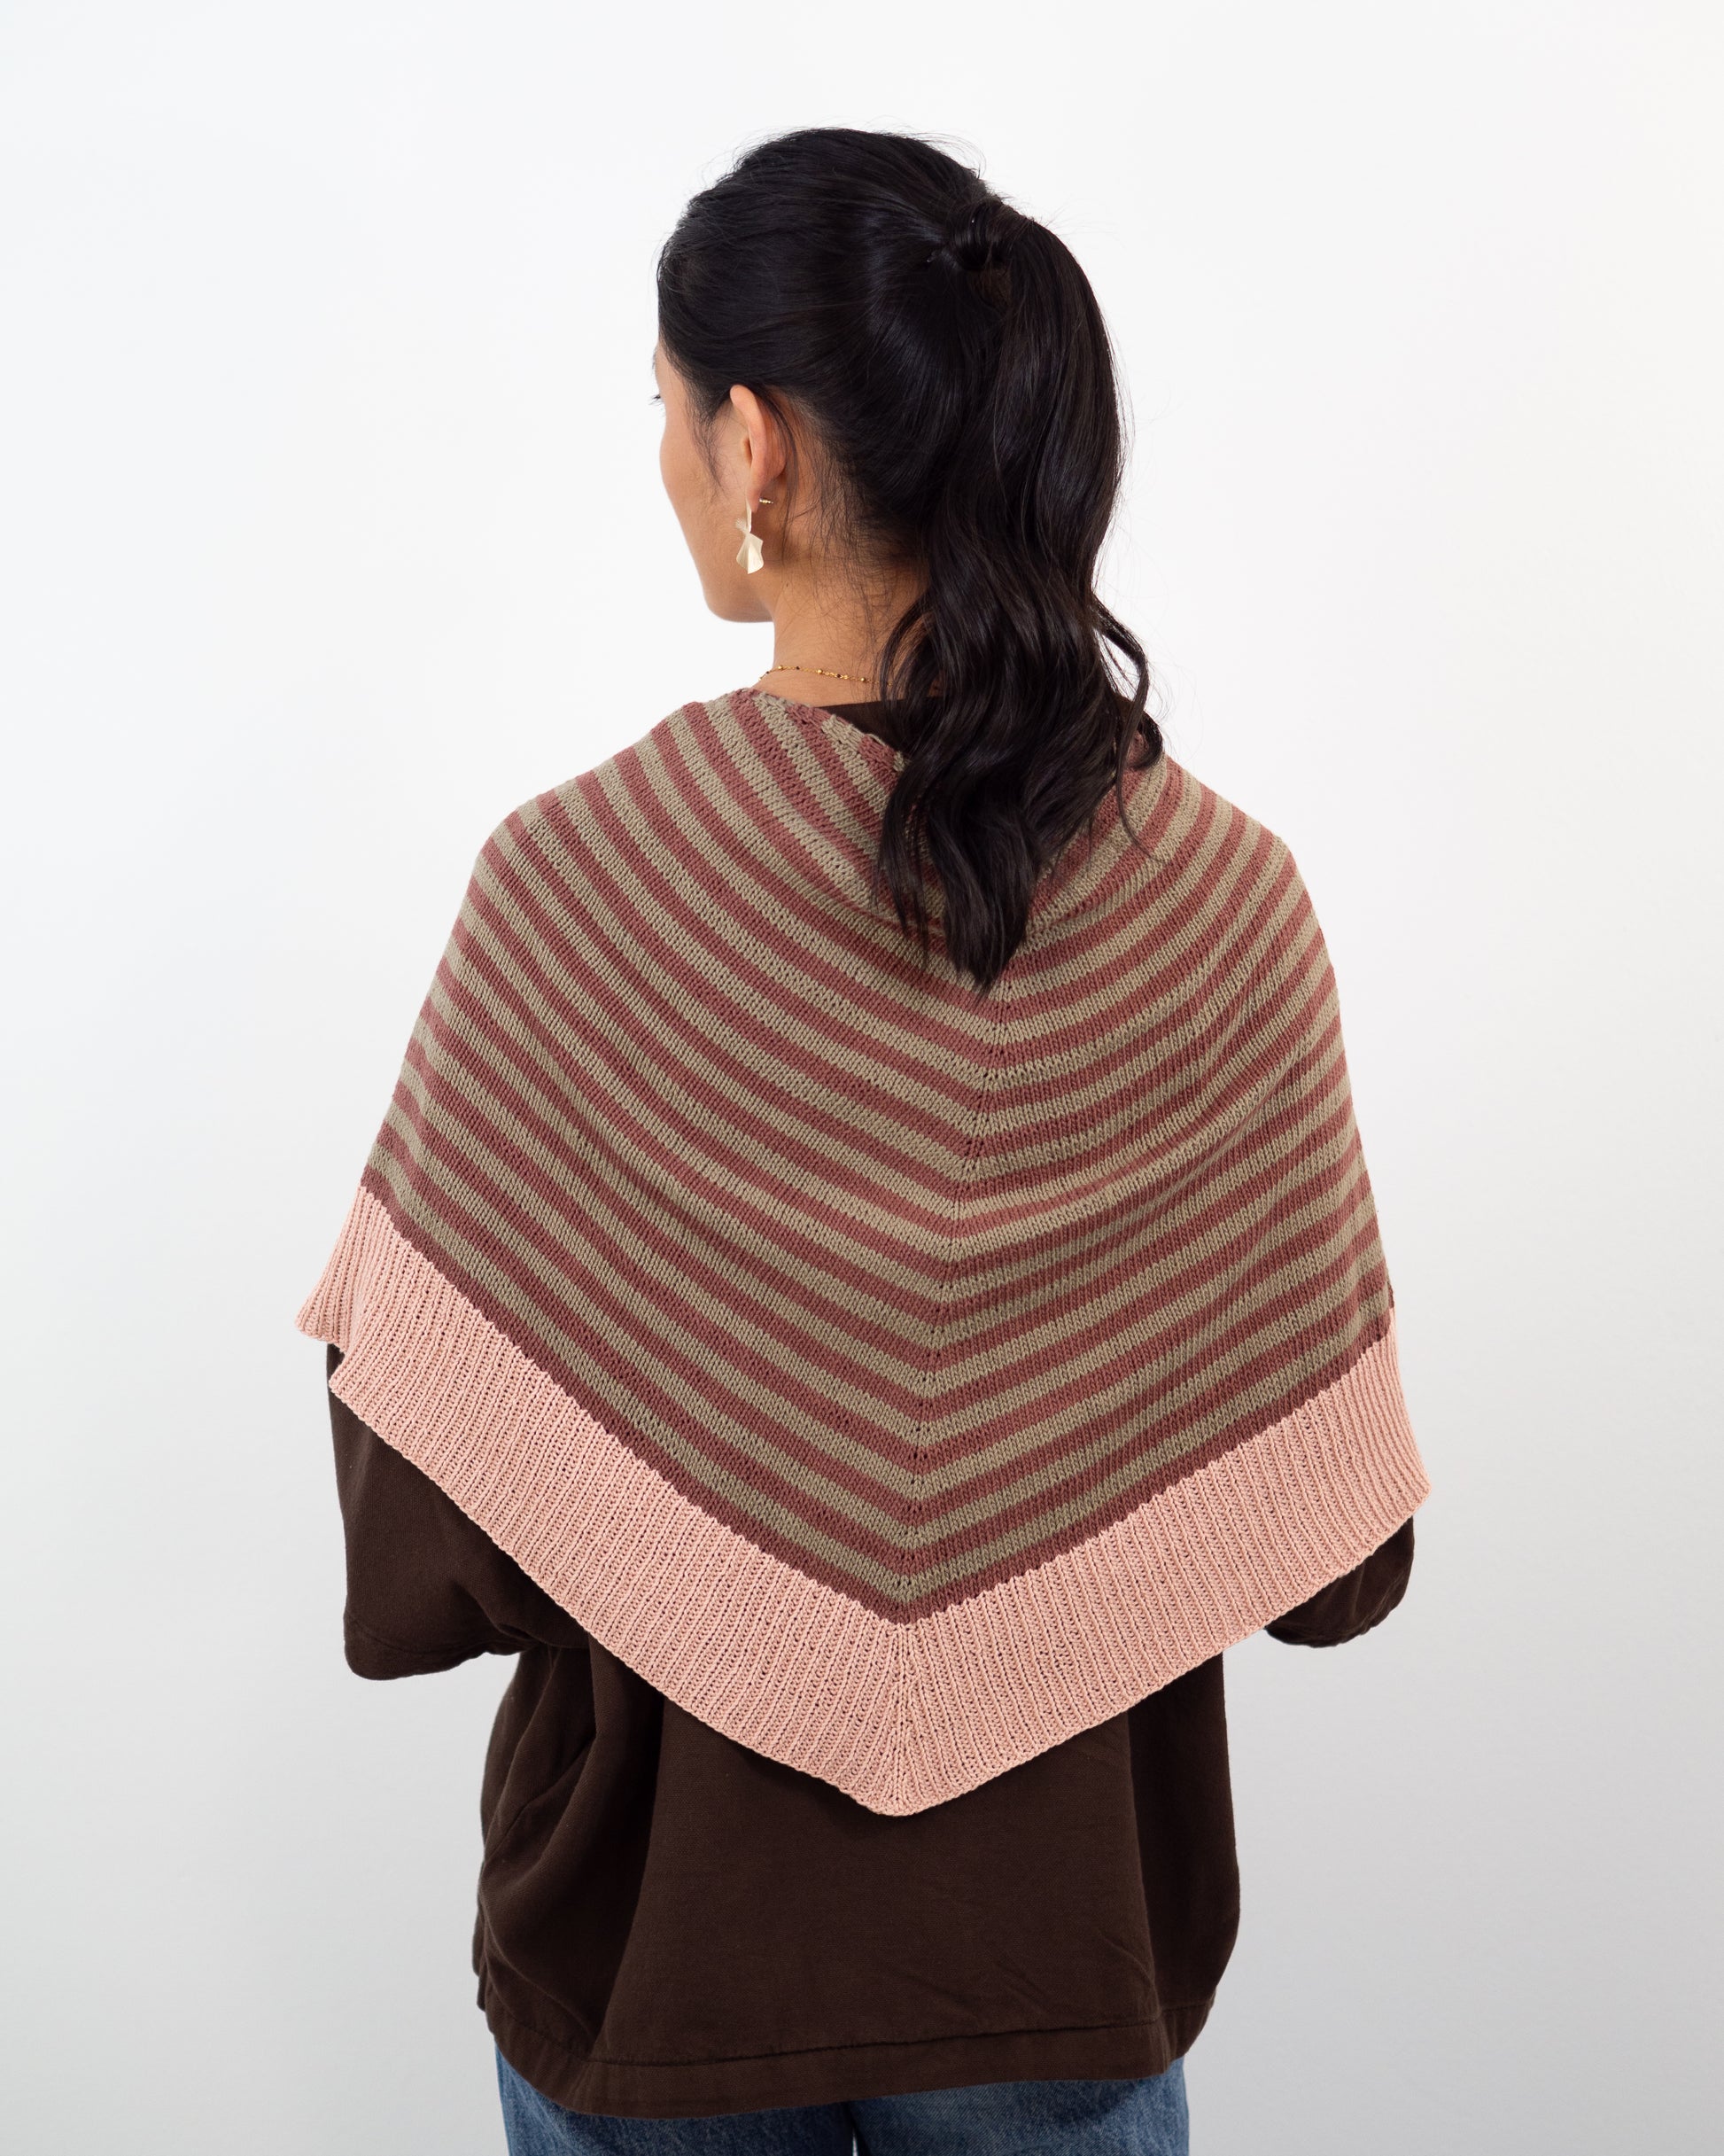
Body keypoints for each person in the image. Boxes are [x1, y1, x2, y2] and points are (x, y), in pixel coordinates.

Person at [299, 128, 1430, 2156]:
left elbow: (425, 1545)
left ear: (752, 446)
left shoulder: (579, 882)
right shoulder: (1223, 901)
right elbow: (1336, 1551)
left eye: (661, 405)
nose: (663, 455)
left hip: (654, 1945)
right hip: (1057, 1945)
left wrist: (675, 1495)